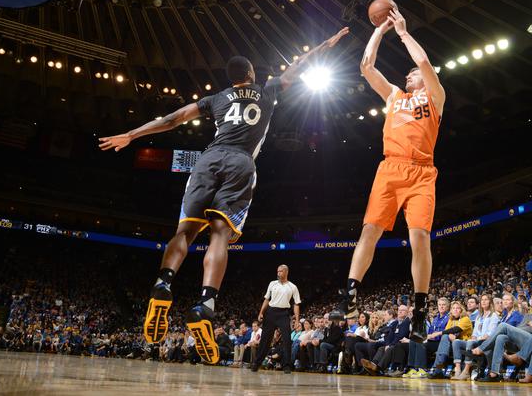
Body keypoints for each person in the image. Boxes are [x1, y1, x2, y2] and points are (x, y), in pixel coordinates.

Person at [99, 28, 348, 364]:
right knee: (220, 234)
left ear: (232, 79)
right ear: (251, 75)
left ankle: (163, 284)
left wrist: (132, 134)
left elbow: (172, 119)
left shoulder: (215, 99)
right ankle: (205, 302)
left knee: (184, 232)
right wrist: (325, 45)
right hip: (241, 163)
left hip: (209, 159)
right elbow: (299, 66)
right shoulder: (266, 90)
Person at [331, 8, 445, 344]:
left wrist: (404, 32)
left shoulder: (436, 97)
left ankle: (420, 311)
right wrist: (380, 30)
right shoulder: (395, 95)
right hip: (390, 168)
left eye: (414, 73)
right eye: (408, 73)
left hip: (422, 171)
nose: (410, 75)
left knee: (419, 238)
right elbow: (366, 66)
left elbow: (423, 62)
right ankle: (349, 296)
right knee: (370, 230)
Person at [252, 265, 301, 373]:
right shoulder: (272, 283)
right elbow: (266, 299)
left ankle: (287, 365)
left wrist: (297, 320)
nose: (278, 273)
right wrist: (261, 312)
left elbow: (296, 304)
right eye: (277, 271)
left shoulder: (292, 287)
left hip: (284, 313)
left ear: (286, 272)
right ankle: (257, 363)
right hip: (270, 313)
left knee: (287, 339)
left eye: (280, 271)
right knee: (265, 339)